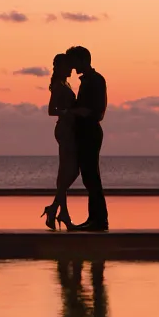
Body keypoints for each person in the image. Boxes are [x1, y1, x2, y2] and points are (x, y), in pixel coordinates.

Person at [65, 45, 109, 230]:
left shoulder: (95, 80)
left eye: (74, 61)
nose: (72, 66)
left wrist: (71, 111)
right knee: (89, 177)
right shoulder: (87, 81)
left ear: (83, 60)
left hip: (90, 132)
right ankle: (95, 219)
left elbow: (96, 111)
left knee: (91, 177)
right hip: (85, 132)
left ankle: (98, 220)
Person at [43, 53, 80, 230]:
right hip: (64, 130)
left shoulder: (66, 83)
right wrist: (68, 113)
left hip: (70, 130)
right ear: (60, 67)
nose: (71, 69)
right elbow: (51, 110)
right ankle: (60, 211)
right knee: (69, 170)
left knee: (69, 172)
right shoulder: (58, 85)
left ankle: (56, 209)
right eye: (68, 66)